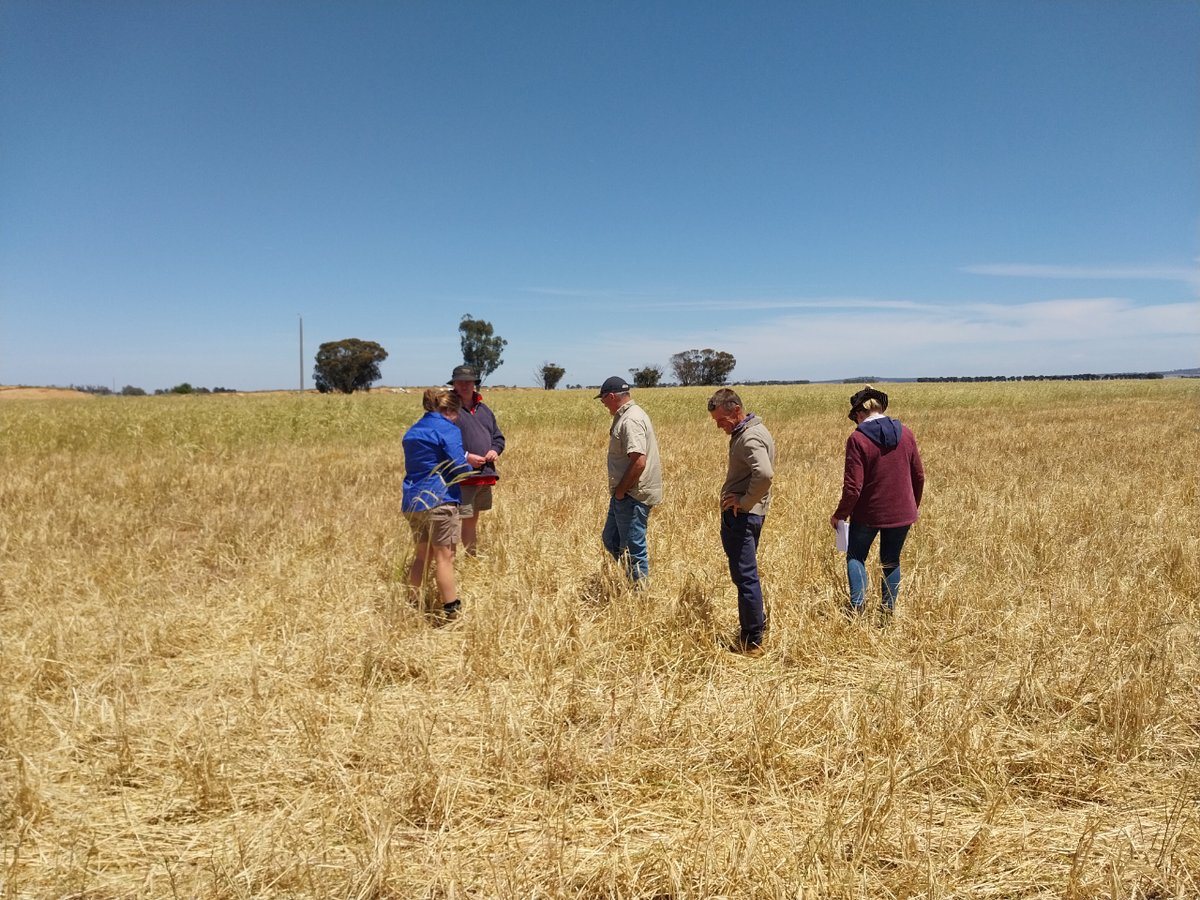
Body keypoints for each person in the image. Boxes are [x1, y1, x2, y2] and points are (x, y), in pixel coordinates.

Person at [830, 386, 925, 622]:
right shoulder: (907, 433)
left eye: (855, 418)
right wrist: (912, 505)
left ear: (860, 414)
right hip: (902, 511)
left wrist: (840, 515)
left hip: (868, 514)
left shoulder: (858, 438)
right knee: (891, 561)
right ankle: (887, 614)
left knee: (855, 556)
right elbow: (919, 476)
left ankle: (857, 610)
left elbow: (853, 487)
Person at [402, 388, 488, 621]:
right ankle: (451, 612)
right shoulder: (447, 428)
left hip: (413, 501)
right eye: (456, 414)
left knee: (422, 555)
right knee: (445, 557)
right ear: (449, 411)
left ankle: (412, 604)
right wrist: (472, 466)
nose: (457, 419)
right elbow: (458, 466)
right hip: (440, 500)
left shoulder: (413, 431)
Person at [708, 388, 775, 657]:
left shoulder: (748, 437)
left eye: (722, 419)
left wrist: (744, 502)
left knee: (745, 576)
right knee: (747, 574)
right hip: (750, 514)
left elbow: (765, 475)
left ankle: (752, 640)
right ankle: (756, 623)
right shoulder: (755, 430)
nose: (719, 426)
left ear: (736, 410)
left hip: (743, 517)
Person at [597, 376, 663, 582]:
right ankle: (631, 579)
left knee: (634, 547)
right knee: (611, 539)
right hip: (624, 493)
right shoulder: (626, 416)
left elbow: (639, 461)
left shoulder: (631, 419)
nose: (603, 404)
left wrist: (621, 491)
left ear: (611, 396)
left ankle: (639, 595)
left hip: (632, 494)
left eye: (603, 400)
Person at [448, 364, 506, 556]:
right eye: (460, 382)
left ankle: (470, 557)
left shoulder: (484, 409)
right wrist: (465, 457)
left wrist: (494, 450)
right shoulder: (448, 409)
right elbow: (442, 442)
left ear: (475, 384)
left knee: (472, 518)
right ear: (454, 384)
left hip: (483, 476)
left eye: (468, 382)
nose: (464, 385)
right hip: (461, 478)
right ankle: (450, 561)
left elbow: (498, 437)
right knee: (455, 518)